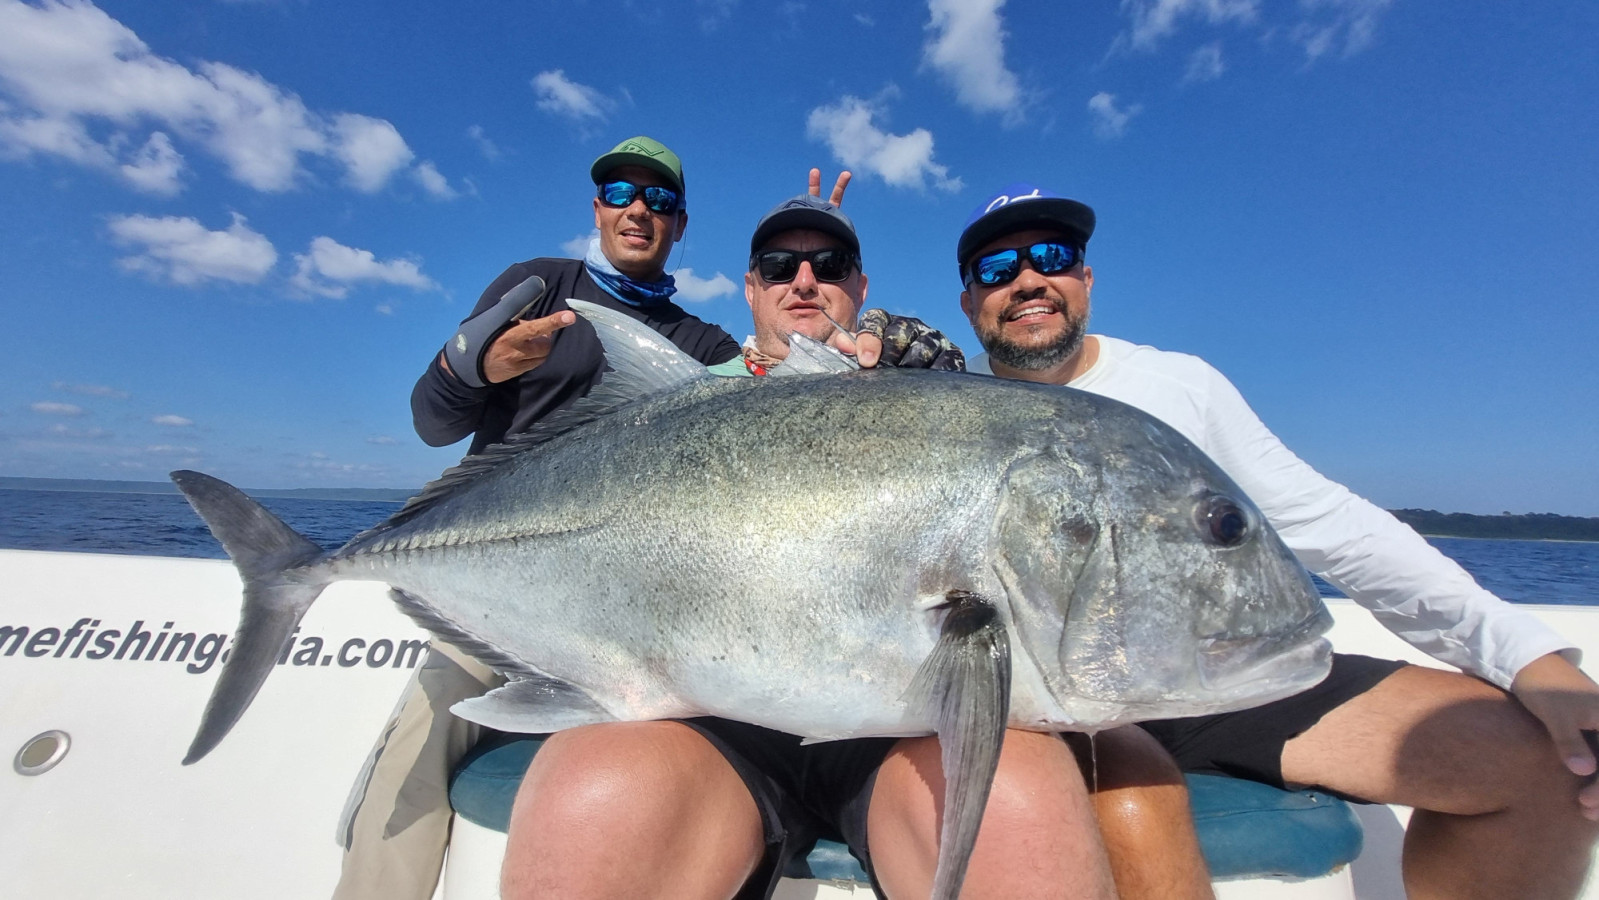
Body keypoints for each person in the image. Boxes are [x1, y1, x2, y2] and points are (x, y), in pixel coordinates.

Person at [333, 140, 978, 900]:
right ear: (597, 207)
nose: (638, 209)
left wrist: (883, 328)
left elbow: (831, 381)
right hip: (501, 566)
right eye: (779, 267)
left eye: (660, 199)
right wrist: (469, 365)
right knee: (417, 753)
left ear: (680, 223)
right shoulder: (539, 287)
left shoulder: (700, 348)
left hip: (625, 594)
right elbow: (432, 422)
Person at [952, 182, 1599, 899]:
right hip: (1031, 704)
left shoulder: (1181, 386)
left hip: (1217, 683)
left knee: (1548, 766)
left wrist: (1526, 656)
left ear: (1085, 277)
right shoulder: (941, 401)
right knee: (1136, 807)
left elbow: (1338, 529)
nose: (1027, 280)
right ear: (969, 302)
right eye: (996, 269)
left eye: (1052, 256)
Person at [498, 191, 1117, 900]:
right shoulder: (677, 402)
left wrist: (918, 369)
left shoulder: (923, 389)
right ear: (749, 288)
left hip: (905, 734)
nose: (803, 281)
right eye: (777, 266)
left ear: (861, 287)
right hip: (709, 721)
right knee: (590, 798)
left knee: (1020, 809)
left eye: (830, 264)